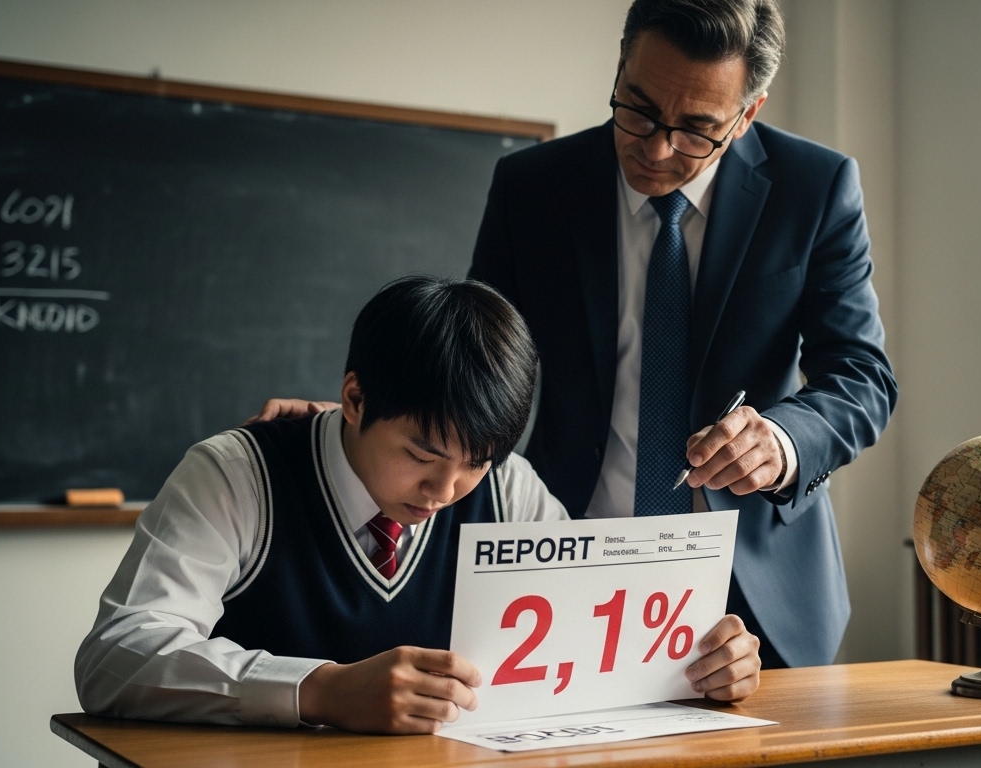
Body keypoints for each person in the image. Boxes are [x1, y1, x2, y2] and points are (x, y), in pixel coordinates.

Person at [256, 0, 896, 669]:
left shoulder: (813, 188)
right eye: (638, 108)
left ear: (747, 115)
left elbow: (862, 377)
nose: (654, 149)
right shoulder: (533, 186)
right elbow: (473, 360)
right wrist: (366, 417)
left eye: (696, 131)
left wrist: (784, 440)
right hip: (564, 560)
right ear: (621, 65)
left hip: (755, 581)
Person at [75, 276, 763, 735]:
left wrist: (694, 666)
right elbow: (115, 656)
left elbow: (584, 652)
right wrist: (318, 690)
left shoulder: (508, 488)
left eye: (476, 461)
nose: (446, 491)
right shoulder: (235, 476)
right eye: (423, 456)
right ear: (353, 399)